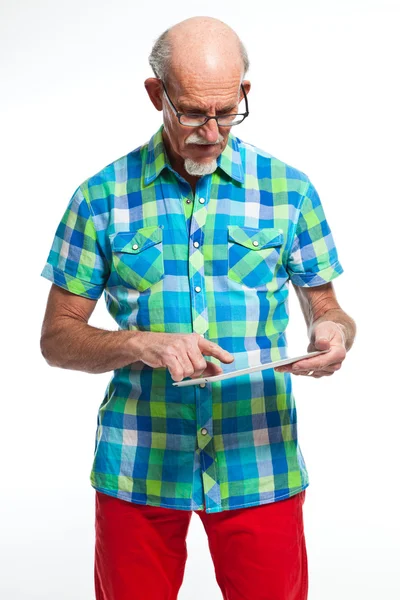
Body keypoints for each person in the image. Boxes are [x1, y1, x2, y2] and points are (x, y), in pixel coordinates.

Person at [40, 15, 356, 600]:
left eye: (226, 111)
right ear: (157, 94)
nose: (211, 132)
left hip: (259, 462)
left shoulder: (291, 192)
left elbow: (329, 309)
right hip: (138, 465)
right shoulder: (100, 197)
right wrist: (138, 343)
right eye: (191, 113)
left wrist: (334, 334)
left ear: (244, 94)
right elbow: (57, 338)